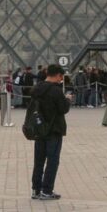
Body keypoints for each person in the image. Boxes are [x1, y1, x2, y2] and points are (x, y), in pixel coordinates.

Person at [31, 65, 72, 201]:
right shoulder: (56, 90)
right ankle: (47, 190)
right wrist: (67, 100)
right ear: (58, 75)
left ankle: (36, 189)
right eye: (62, 77)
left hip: (39, 128)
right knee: (52, 160)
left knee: (39, 160)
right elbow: (63, 109)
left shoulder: (37, 88)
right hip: (54, 129)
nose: (61, 80)